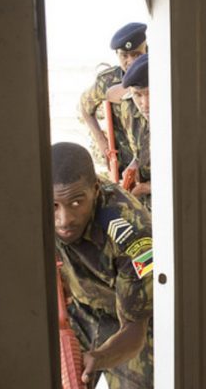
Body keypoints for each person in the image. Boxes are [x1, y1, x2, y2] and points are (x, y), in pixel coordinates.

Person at [51, 142, 153, 389]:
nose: (64, 220)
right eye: (54, 205)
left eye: (77, 203)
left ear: (95, 191)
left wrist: (98, 358)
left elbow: (135, 329)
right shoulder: (28, 208)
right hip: (77, 308)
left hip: (127, 319)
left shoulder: (134, 236)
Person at [79, 22, 148, 173]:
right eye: (124, 55)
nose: (130, 61)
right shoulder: (108, 81)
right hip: (124, 166)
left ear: (146, 50)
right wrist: (102, 143)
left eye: (136, 54)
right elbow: (84, 106)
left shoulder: (158, 74)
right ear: (117, 55)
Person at [118, 54, 151, 210]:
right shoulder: (130, 110)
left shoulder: (185, 121)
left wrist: (148, 188)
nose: (145, 104)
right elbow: (141, 150)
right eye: (138, 95)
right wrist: (134, 165)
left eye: (151, 93)